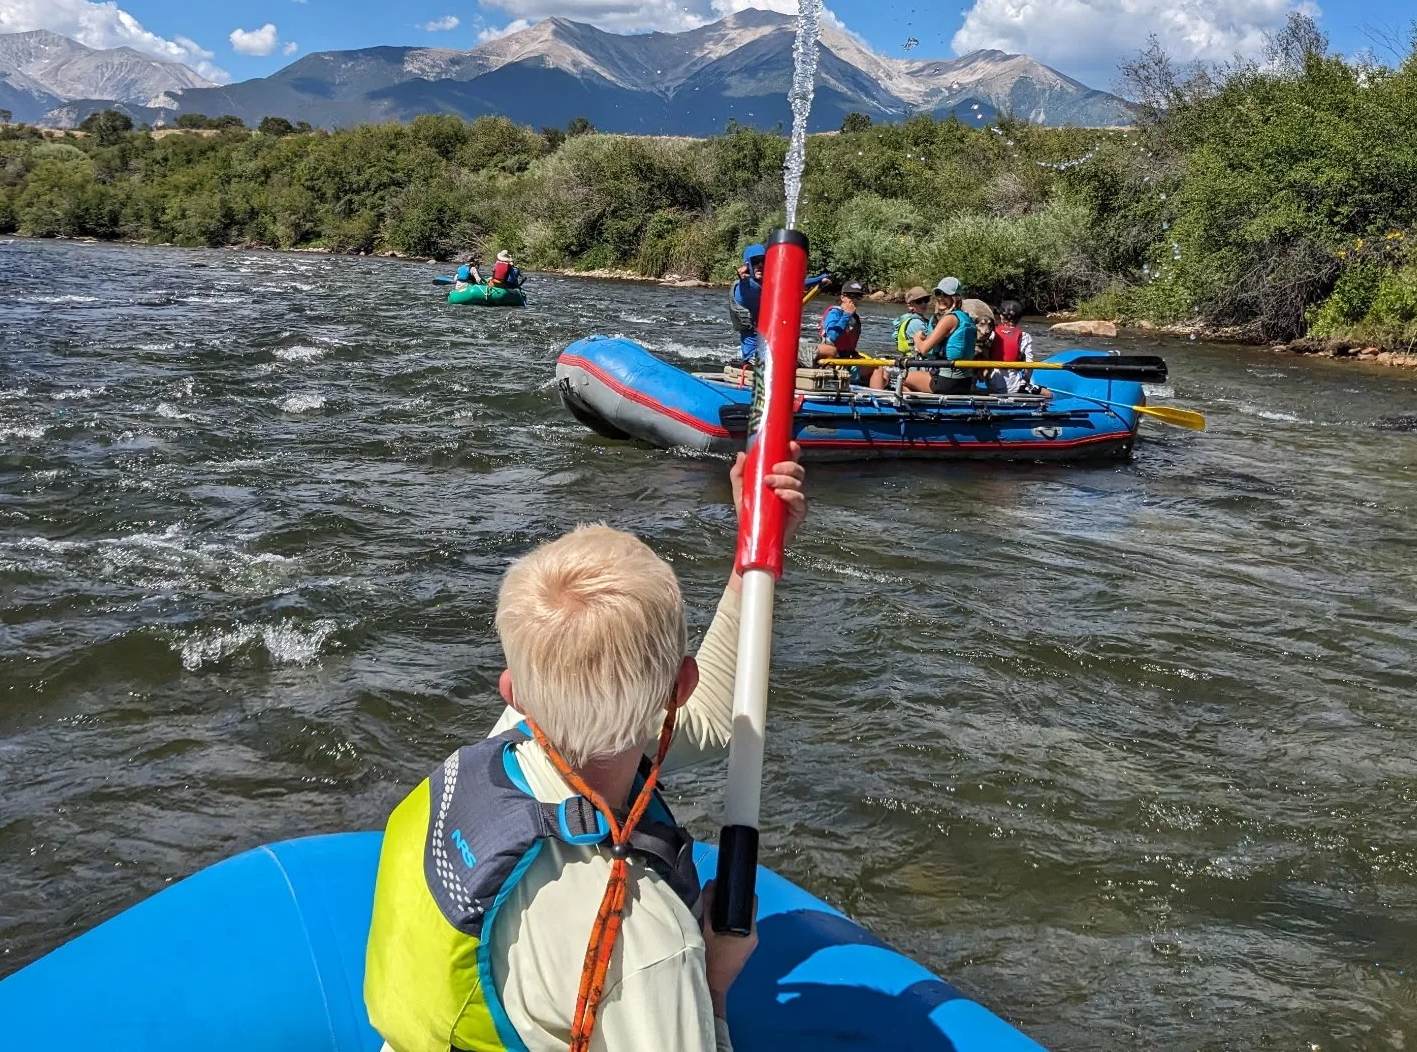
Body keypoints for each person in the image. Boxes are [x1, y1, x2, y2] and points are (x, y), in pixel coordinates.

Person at [365, 448, 809, 1052]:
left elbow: (707, 724)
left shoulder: (480, 764)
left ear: (512, 690)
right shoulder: (648, 944)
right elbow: (697, 718)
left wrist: (754, 555)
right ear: (678, 687)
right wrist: (714, 985)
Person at [899, 277, 978, 396]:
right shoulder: (964, 317)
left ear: (955, 297)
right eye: (938, 293)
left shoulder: (949, 319)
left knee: (902, 378)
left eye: (946, 295)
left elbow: (924, 349)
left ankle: (921, 410)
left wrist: (917, 337)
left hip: (947, 382)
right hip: (965, 382)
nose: (941, 298)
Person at [814, 280, 867, 381]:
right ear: (842, 297)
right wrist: (846, 315)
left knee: (883, 373)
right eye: (851, 296)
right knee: (877, 371)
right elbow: (832, 337)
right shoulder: (834, 313)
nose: (854, 300)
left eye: (858, 297)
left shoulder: (855, 318)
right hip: (831, 360)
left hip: (847, 358)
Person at [991, 298, 1037, 394]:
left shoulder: (991, 333)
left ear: (1001, 317)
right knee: (1048, 395)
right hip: (1013, 385)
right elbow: (1029, 365)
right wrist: (1026, 380)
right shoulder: (1025, 337)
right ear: (1019, 319)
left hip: (991, 382)